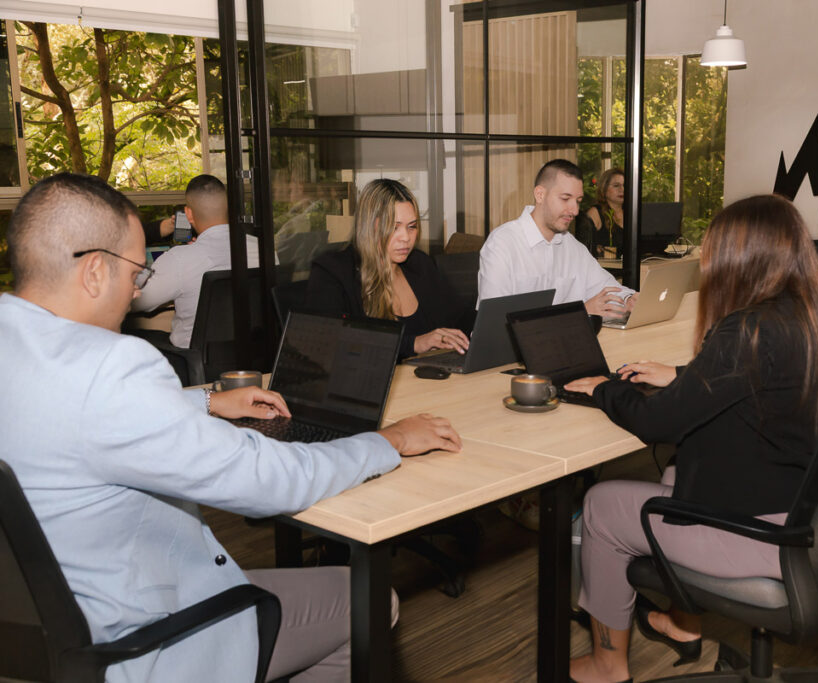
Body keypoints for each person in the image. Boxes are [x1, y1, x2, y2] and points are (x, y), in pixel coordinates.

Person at [0, 172, 463, 683]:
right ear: (93, 272)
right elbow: (272, 481)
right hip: (144, 639)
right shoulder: (112, 367)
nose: (137, 291)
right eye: (137, 273)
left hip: (44, 635)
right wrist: (387, 440)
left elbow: (76, 419)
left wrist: (205, 401)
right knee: (372, 602)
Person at [562, 194, 818, 683]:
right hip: (807, 514)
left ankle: (607, 666)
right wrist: (683, 376)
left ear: (740, 258)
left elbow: (657, 423)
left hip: (762, 536)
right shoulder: (816, 316)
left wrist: (605, 389)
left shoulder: (748, 329)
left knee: (601, 505)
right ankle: (683, 623)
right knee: (677, 469)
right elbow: (758, 382)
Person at [304, 178, 475, 360]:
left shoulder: (420, 265)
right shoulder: (333, 272)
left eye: (412, 227)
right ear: (369, 227)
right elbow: (333, 342)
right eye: (394, 227)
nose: (406, 237)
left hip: (426, 376)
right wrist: (414, 344)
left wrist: (489, 323)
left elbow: (459, 317)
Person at [477, 158, 636, 318]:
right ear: (540, 195)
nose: (574, 210)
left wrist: (628, 299)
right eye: (565, 199)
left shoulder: (572, 247)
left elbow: (606, 288)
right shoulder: (502, 244)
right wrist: (580, 312)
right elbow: (495, 320)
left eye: (578, 201)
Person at [131, 174, 267, 348]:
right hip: (254, 354)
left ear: (188, 213)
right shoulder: (265, 250)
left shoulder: (179, 259)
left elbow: (136, 302)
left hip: (194, 359)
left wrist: (138, 267)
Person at [576, 167, 626, 257]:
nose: (622, 189)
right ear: (604, 189)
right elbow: (583, 247)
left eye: (624, 185)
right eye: (616, 185)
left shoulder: (632, 214)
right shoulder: (595, 213)